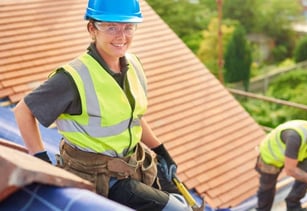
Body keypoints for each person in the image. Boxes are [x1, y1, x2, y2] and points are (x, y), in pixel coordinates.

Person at [13, 0, 193, 210]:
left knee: (181, 200)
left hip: (132, 166)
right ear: (92, 29)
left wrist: (161, 151)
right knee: (178, 209)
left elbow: (131, 117)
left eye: (128, 27)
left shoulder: (132, 64)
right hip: (101, 177)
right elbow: (23, 111)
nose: (121, 36)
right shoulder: (73, 77)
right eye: (111, 27)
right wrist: (41, 160)